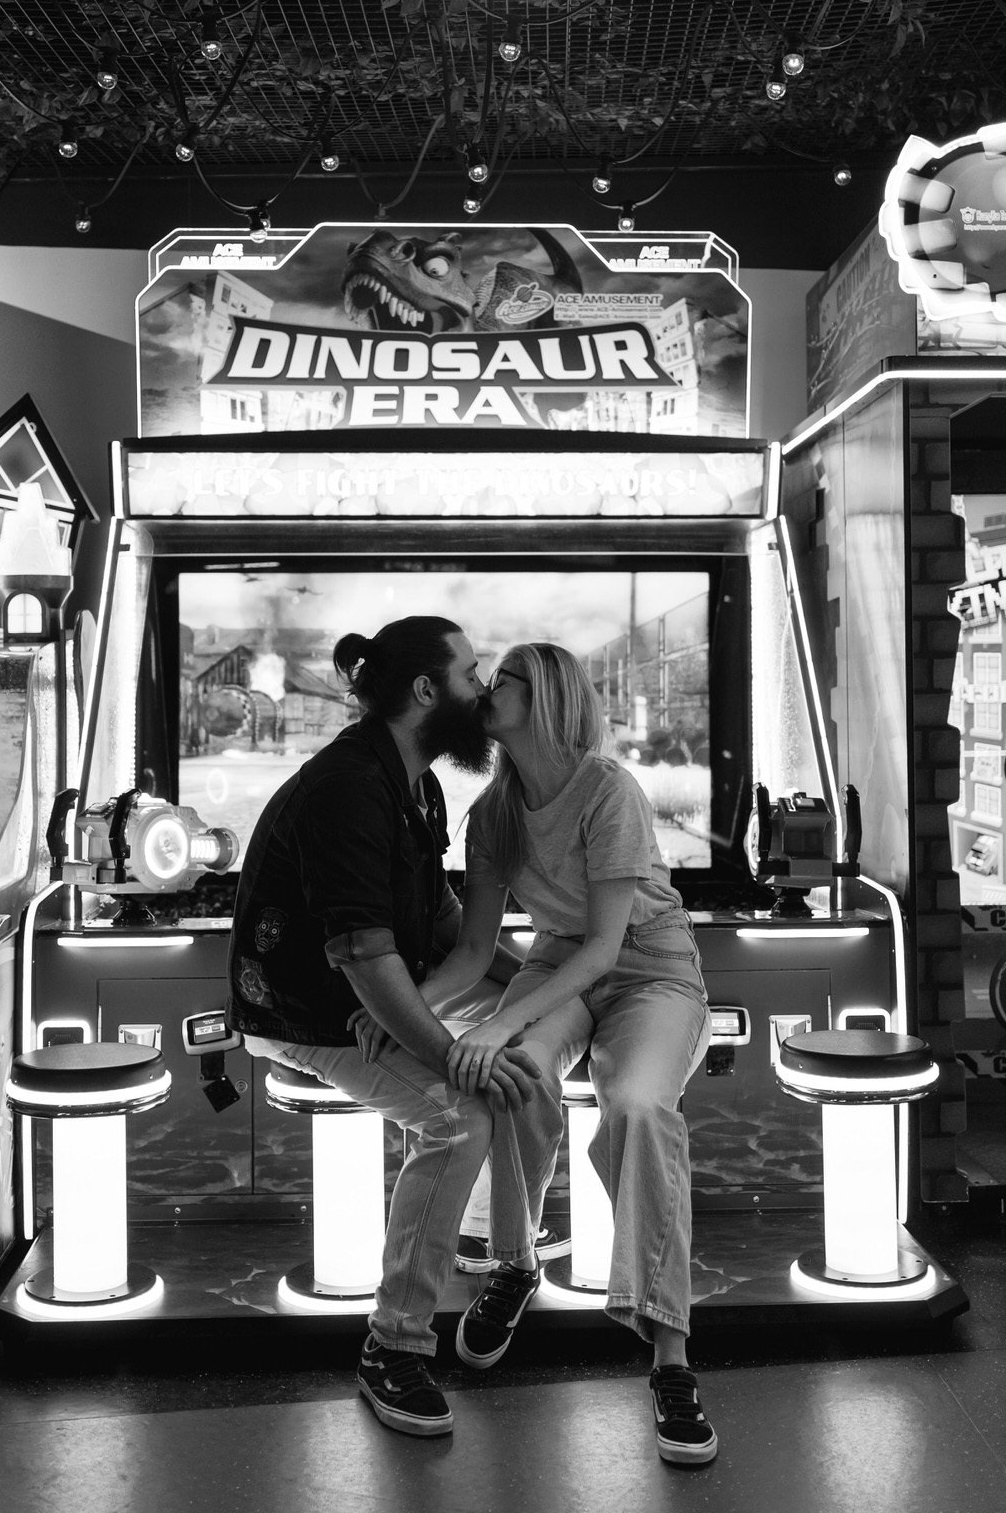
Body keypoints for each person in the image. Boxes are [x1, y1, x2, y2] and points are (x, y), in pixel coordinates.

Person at [225, 614, 540, 1440]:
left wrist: (538, 984)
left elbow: (438, 923)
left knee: (522, 1040)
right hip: (309, 1010)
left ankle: (491, 1251)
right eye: (472, 675)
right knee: (455, 1117)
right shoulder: (347, 789)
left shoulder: (419, 784)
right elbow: (362, 955)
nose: (481, 692)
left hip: (376, 992)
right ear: (427, 691)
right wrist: (443, 1049)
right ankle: (392, 1349)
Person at [434, 641, 717, 1467]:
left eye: (503, 681)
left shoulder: (607, 789)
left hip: (650, 968)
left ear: (547, 696)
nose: (486, 690)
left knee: (637, 1108)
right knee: (515, 1072)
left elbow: (608, 949)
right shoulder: (488, 815)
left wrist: (495, 1022)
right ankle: (515, 1265)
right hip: (560, 963)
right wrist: (401, 1016)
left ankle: (670, 1360)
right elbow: (471, 952)